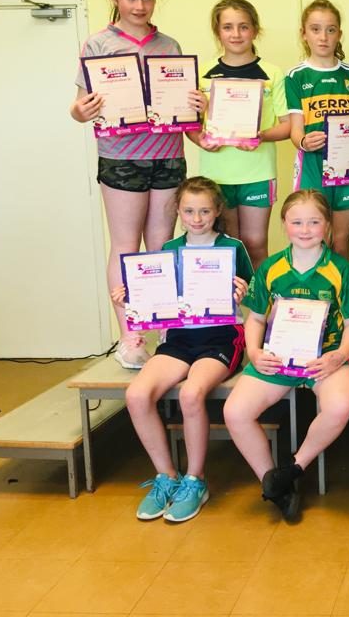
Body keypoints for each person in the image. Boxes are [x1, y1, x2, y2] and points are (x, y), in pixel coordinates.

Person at [69, 0, 205, 369]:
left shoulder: (170, 45)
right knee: (126, 245)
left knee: (161, 246)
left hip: (168, 154)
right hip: (122, 156)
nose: (140, 5)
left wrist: (196, 104)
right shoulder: (98, 44)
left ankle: (162, 330)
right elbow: (78, 107)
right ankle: (130, 336)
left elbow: (184, 107)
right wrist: (80, 111)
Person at [223, 190, 349, 522]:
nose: (305, 230)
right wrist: (254, 352)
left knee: (340, 406)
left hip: (326, 358)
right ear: (284, 224)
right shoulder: (271, 267)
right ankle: (276, 487)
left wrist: (339, 356)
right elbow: (255, 319)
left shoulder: (340, 269)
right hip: (277, 357)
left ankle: (292, 468)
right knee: (235, 412)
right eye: (297, 222)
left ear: (327, 225)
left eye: (314, 222)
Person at [115, 177, 253, 522]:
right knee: (136, 396)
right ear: (178, 210)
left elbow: (256, 297)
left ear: (217, 211)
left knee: (191, 394)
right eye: (189, 211)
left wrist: (242, 294)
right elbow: (157, 299)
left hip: (221, 337)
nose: (197, 218)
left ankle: (195, 480)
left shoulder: (232, 247)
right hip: (178, 338)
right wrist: (131, 297)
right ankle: (167, 477)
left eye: (204, 211)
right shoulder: (169, 248)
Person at [194, 0, 291, 269]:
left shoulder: (272, 73)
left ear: (255, 30)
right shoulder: (203, 73)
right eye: (228, 27)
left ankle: (258, 298)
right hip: (217, 174)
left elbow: (287, 125)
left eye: (243, 26)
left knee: (255, 243)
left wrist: (261, 136)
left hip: (258, 172)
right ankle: (233, 300)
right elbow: (191, 125)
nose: (235, 34)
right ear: (217, 31)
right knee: (227, 246)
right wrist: (200, 140)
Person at [286, 0, 349, 261]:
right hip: (312, 167)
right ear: (304, 34)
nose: (323, 37)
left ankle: (342, 289)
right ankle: (314, 289)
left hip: (348, 168)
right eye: (315, 29)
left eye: (330, 29)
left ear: (339, 33)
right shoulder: (296, 76)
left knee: (341, 242)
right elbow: (295, 130)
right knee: (316, 241)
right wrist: (304, 142)